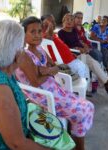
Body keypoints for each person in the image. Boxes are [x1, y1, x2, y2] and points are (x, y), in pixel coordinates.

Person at [15, 16, 94, 150]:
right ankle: (79, 147)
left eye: (40, 31)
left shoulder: (40, 49)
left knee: (88, 106)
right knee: (83, 110)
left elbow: (55, 66)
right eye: (32, 32)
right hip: (42, 96)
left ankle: (73, 137)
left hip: (54, 89)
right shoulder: (24, 55)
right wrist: (48, 71)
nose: (38, 35)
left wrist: (46, 70)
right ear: (23, 34)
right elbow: (35, 82)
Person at [0, 20, 49, 150]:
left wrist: (29, 103)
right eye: (23, 47)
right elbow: (17, 144)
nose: (24, 51)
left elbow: (11, 99)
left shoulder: (2, 69)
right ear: (16, 54)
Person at [58, 13, 108, 93]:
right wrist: (76, 48)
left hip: (81, 53)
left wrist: (84, 47)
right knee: (93, 62)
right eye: (67, 19)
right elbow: (63, 47)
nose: (69, 21)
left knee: (94, 62)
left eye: (71, 20)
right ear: (63, 21)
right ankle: (106, 82)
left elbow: (78, 41)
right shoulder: (61, 33)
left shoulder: (73, 31)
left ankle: (106, 83)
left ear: (73, 22)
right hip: (72, 54)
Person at [41, 14, 90, 79]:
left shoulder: (53, 35)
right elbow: (48, 37)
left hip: (70, 58)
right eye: (49, 22)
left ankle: (85, 86)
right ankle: (80, 87)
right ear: (42, 24)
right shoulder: (45, 36)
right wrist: (49, 29)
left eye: (53, 21)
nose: (52, 23)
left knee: (86, 67)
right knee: (84, 68)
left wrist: (71, 54)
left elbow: (60, 48)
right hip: (66, 62)